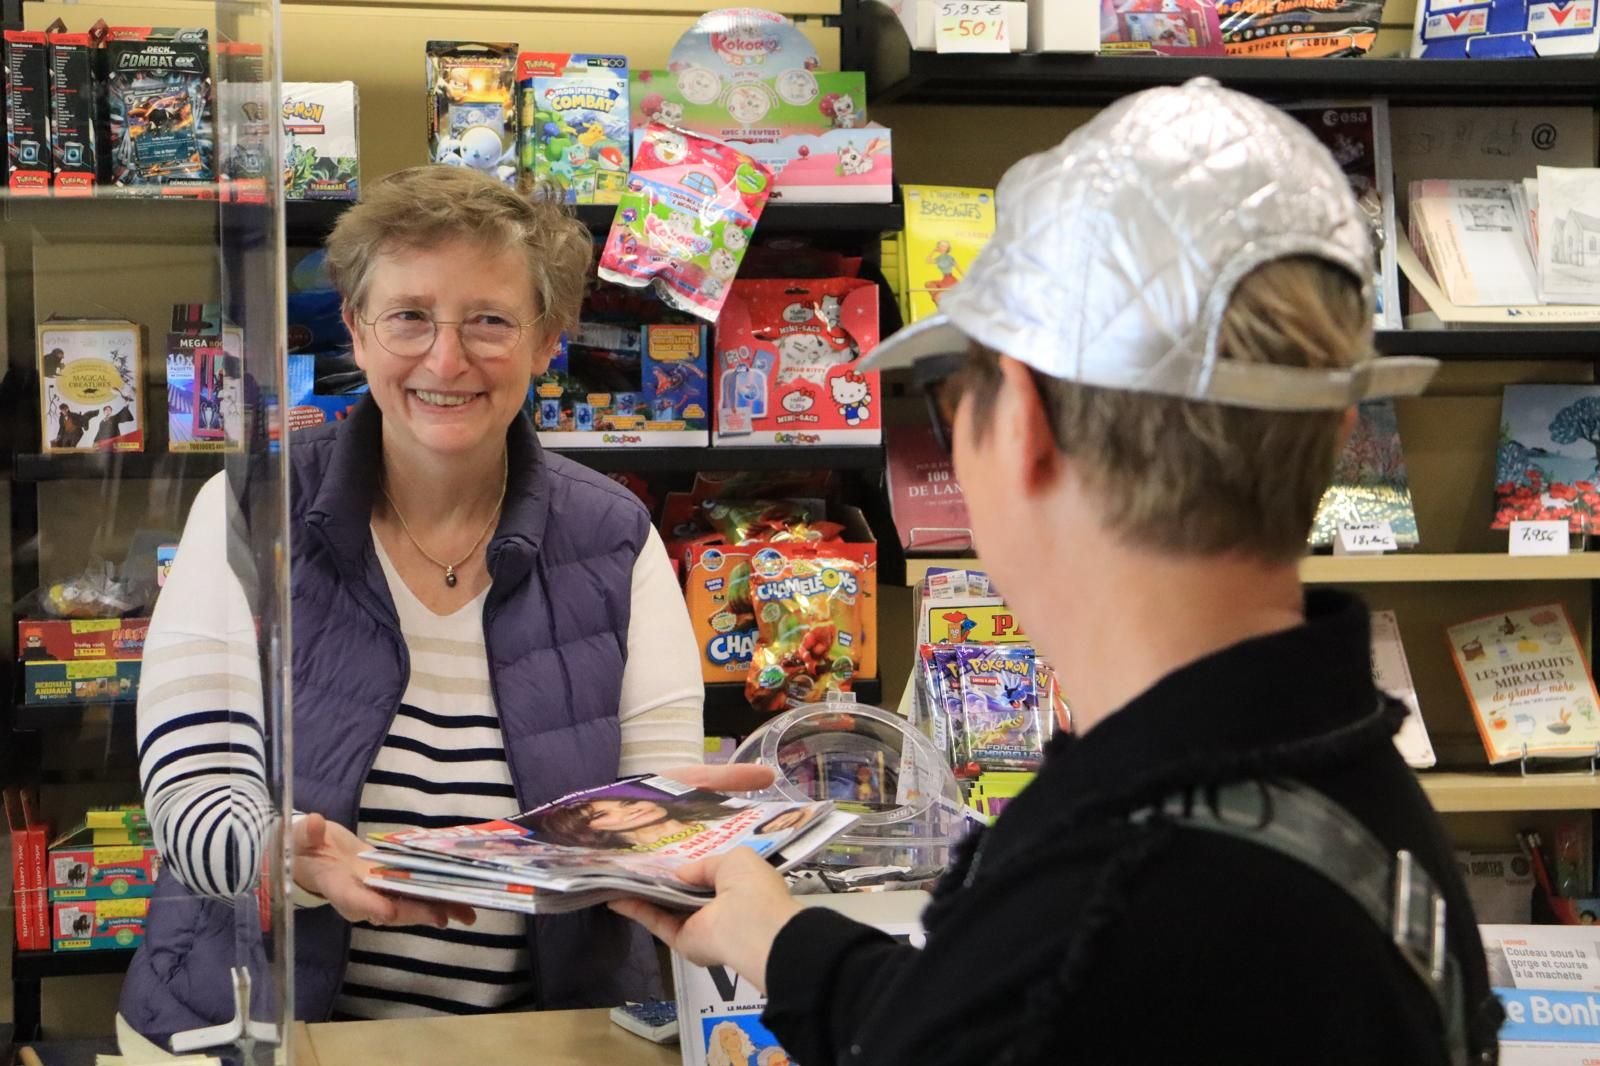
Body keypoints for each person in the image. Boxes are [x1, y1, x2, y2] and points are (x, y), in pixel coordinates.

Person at [612, 80, 1503, 1065]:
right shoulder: (1348, 798)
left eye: (953, 395)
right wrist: (779, 940)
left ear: (1023, 423)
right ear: (1340, 435)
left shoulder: (1117, 899)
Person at [120, 165, 758, 1046]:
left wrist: (670, 832)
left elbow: (652, 807)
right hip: (263, 1033)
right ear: (356, 329)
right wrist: (287, 854)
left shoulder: (616, 539)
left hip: (542, 1039)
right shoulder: (245, 511)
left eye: (490, 321)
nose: (446, 359)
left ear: (546, 343)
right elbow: (185, 791)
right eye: (409, 316)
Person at [523, 795, 736, 851]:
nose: (632, 809)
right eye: (599, 816)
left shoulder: (723, 815)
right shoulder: (627, 866)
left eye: (628, 802)